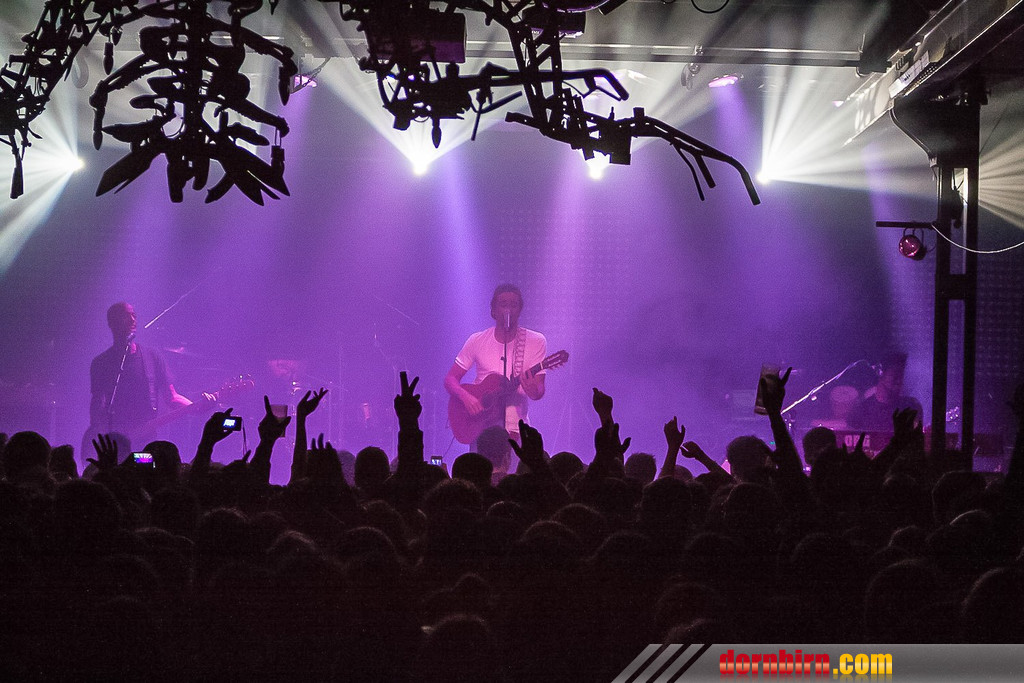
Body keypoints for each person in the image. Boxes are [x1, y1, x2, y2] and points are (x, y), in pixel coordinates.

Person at [444, 284, 546, 445]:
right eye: (503, 304)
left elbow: (538, 391)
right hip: (481, 428)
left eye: (514, 305)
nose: (508, 309)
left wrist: (532, 389)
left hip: (516, 430)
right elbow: (450, 379)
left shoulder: (536, 341)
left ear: (520, 310)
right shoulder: (477, 340)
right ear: (494, 310)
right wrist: (466, 397)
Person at [88, 302, 196, 447]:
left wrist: (196, 407)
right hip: (114, 442)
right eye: (126, 316)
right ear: (112, 323)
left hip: (146, 441)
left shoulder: (152, 357)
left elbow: (172, 397)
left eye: (134, 315)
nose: (132, 320)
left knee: (144, 462)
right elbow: (97, 404)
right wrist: (98, 435)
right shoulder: (101, 363)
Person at [848, 351, 923, 432]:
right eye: (896, 374)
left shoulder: (911, 406)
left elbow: (916, 436)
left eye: (902, 375)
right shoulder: (861, 410)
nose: (900, 380)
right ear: (880, 373)